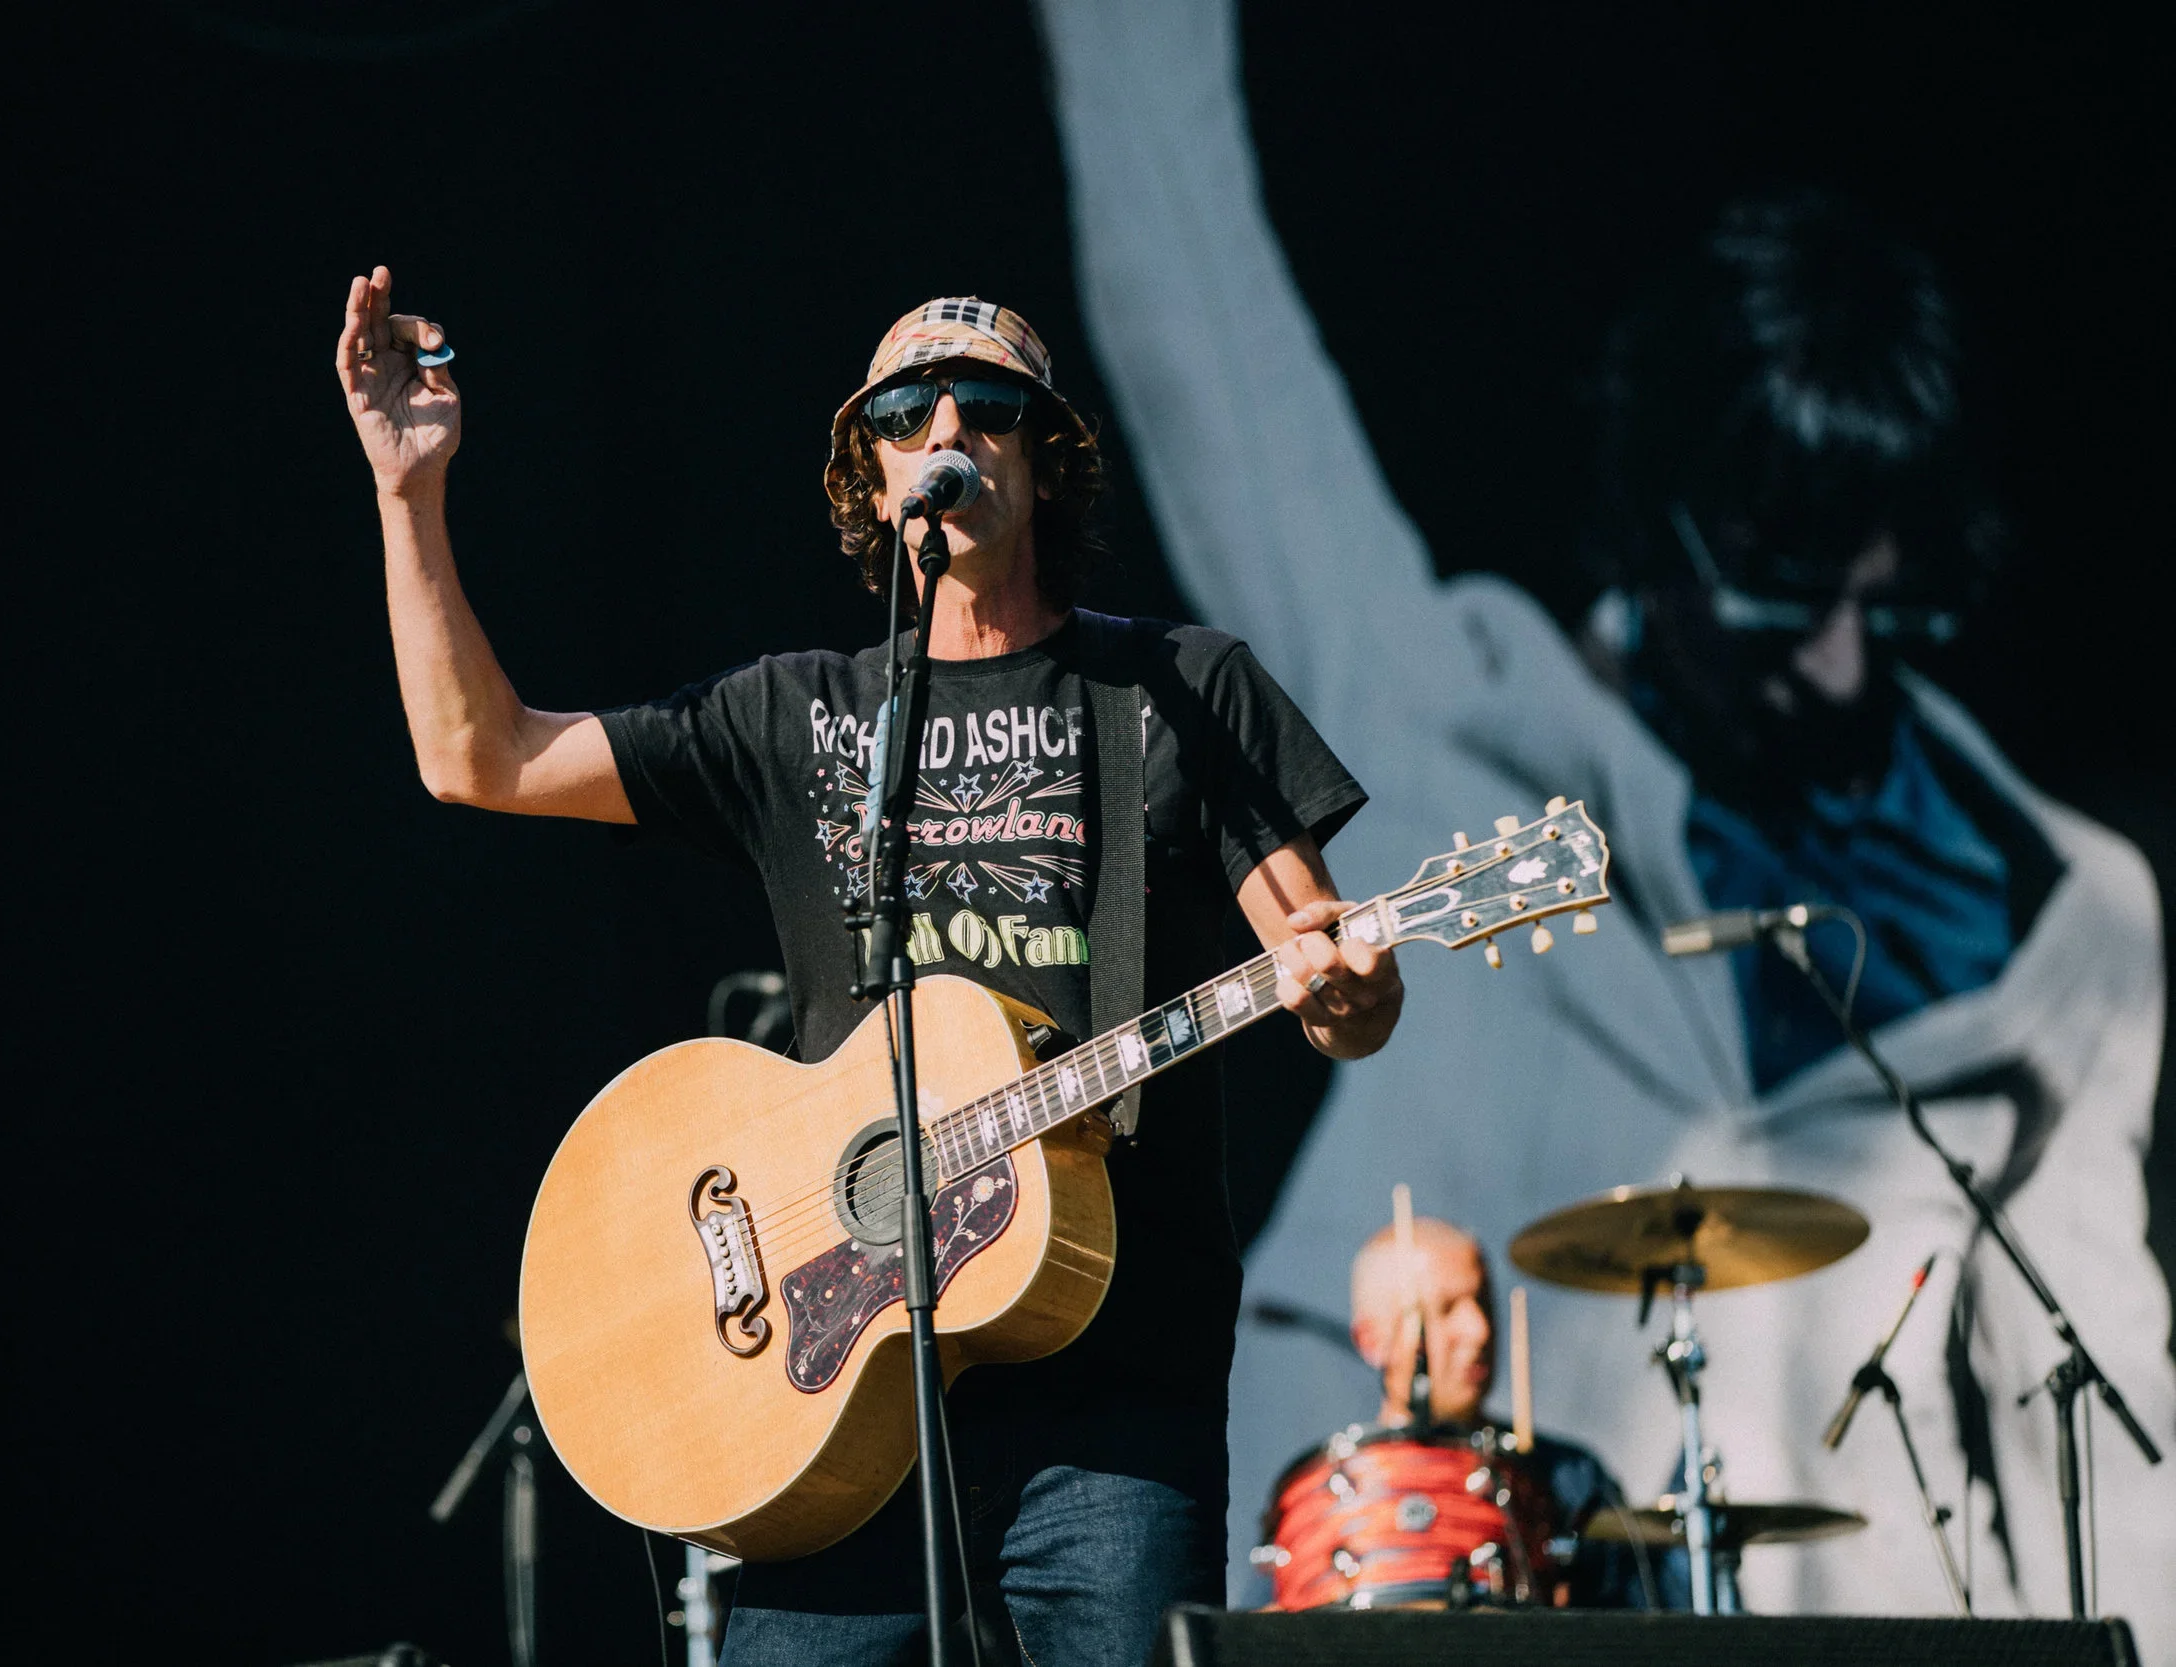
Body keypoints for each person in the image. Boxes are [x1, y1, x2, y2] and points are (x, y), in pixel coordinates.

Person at [1034, 0, 2174, 1649]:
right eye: (1781, 597)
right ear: (1656, 525)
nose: (1837, 667)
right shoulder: (1437, 716)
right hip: (1467, 1602)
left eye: (1886, 606)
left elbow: (2108, 1412)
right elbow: (1209, 336)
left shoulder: (2064, 914)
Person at [335, 270, 1405, 1666]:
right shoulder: (797, 714)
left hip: (1109, 1398)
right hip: (834, 1387)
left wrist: (1349, 990)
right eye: (905, 412)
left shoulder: (1183, 690)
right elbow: (477, 756)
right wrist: (408, 492)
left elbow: (1330, 976)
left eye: (987, 405)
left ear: (1046, 456)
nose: (944, 425)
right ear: (872, 471)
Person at [1267, 1217, 1655, 1610]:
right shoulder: (1318, 1496)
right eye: (1446, 1309)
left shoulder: (1570, 1478)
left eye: (1483, 1303)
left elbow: (1640, 1629)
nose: (1479, 1330)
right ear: (1371, 1340)